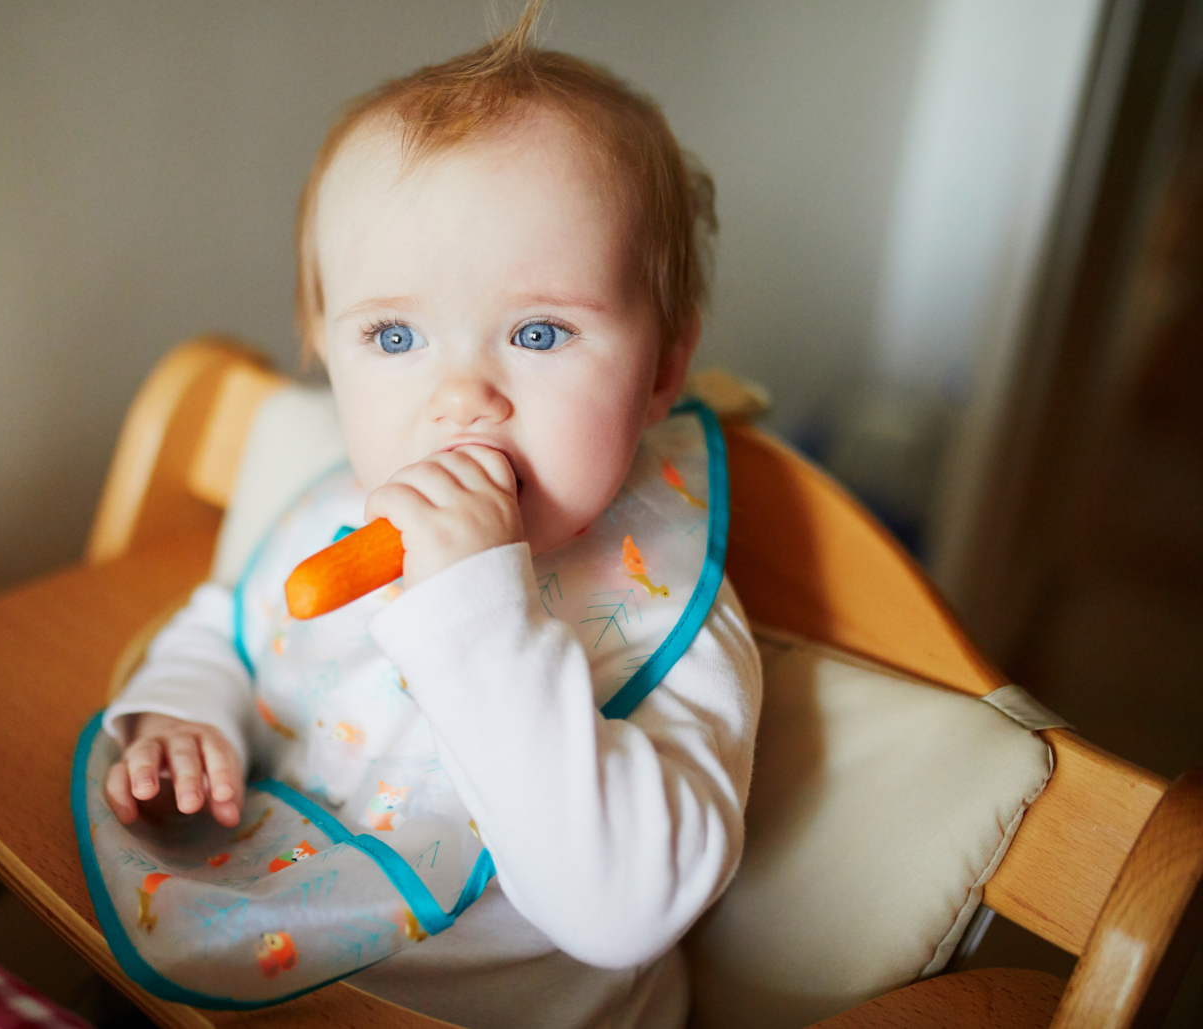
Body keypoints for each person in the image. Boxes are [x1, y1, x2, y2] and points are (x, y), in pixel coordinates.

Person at [99, 4, 761, 1026]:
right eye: (395, 336)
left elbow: (625, 909)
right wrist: (186, 714)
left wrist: (476, 614)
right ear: (322, 344)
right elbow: (232, 626)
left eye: (539, 332)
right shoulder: (339, 517)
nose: (461, 399)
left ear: (664, 364)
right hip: (276, 976)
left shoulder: (669, 615)